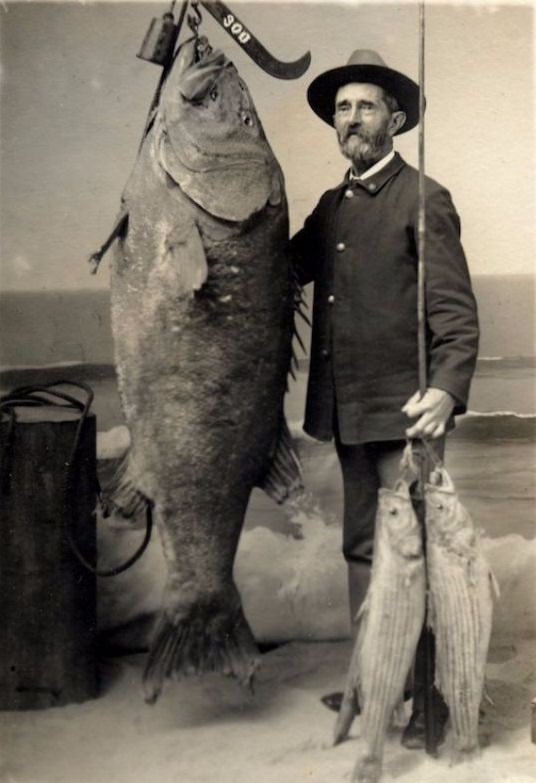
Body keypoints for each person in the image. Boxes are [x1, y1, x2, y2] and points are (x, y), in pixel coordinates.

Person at [291, 50, 479, 749]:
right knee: (363, 548)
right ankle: (380, 679)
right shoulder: (331, 205)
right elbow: (284, 271)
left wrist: (448, 388)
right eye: (342, 107)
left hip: (406, 413)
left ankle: (429, 694)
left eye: (365, 105)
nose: (352, 118)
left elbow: (457, 315)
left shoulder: (422, 197)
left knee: (418, 552)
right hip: (345, 408)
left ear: (395, 118)